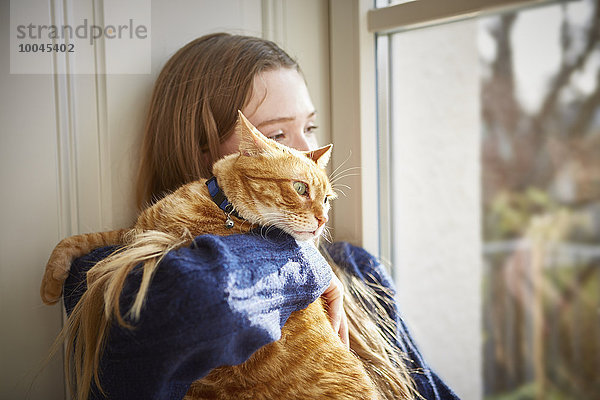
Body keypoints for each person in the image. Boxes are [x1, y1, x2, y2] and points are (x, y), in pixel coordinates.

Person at [63, 33, 459, 399]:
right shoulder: (114, 274)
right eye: (277, 137)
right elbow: (203, 300)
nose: (307, 157)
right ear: (209, 155)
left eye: (310, 126)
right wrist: (307, 266)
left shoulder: (355, 266)